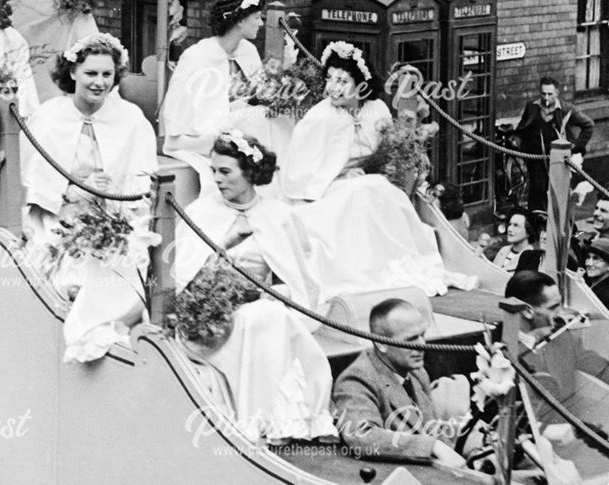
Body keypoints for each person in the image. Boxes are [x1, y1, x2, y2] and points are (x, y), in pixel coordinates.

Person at [174, 131, 335, 444]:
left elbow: (295, 280)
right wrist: (223, 249)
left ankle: (281, 419)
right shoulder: (201, 212)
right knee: (263, 318)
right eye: (214, 171)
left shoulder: (279, 216)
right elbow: (183, 276)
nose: (217, 180)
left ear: (249, 173)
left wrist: (271, 294)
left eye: (225, 171)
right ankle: (264, 420)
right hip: (211, 316)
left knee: (269, 315)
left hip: (260, 305)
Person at [20, 33, 158, 362]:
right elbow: (35, 182)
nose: (99, 83)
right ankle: (68, 328)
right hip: (59, 213)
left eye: (107, 75)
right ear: (72, 73)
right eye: (91, 73)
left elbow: (142, 183)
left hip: (114, 215)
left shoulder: (131, 120)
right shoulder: (49, 117)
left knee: (125, 259)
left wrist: (115, 201)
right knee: (63, 263)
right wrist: (72, 190)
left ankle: (104, 330)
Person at [281, 41, 452, 302]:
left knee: (382, 190)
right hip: (325, 192)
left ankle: (396, 262)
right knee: (366, 191)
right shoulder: (320, 117)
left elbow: (384, 151)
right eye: (329, 79)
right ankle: (363, 271)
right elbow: (299, 173)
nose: (332, 88)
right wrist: (339, 176)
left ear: (361, 83)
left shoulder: (377, 110)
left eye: (342, 80)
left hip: (370, 181)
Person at [162, 0, 293, 192]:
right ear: (240, 20)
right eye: (257, 18)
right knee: (256, 120)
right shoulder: (197, 56)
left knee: (278, 117)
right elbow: (180, 113)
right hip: (202, 135)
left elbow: (258, 92)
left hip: (240, 126)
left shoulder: (248, 51)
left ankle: (282, 186)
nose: (261, 24)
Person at [333, 299, 467, 466]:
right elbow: (363, 437)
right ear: (381, 343)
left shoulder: (416, 372)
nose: (422, 346)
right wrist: (432, 447)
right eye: (410, 339)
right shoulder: (357, 379)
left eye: (422, 335)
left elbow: (430, 428)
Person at [504, 270, 609, 415]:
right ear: (527, 311)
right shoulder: (497, 348)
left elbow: (601, 368)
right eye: (553, 307)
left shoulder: (562, 337)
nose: (561, 313)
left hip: (571, 427)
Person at [513, 77, 594, 212]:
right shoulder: (532, 107)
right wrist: (519, 146)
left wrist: (575, 147)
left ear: (557, 93)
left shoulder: (566, 109)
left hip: (558, 160)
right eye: (543, 93)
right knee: (537, 191)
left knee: (557, 193)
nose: (546, 98)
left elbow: (589, 125)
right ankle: (536, 222)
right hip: (536, 159)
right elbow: (521, 130)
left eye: (550, 94)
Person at [492, 208, 544, 272]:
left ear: (528, 231)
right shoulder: (503, 250)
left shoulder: (532, 258)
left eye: (516, 225)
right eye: (510, 224)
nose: (510, 229)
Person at [584, 238, 609, 308]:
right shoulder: (591, 283)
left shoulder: (606, 295)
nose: (589, 263)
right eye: (588, 257)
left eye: (596, 258)